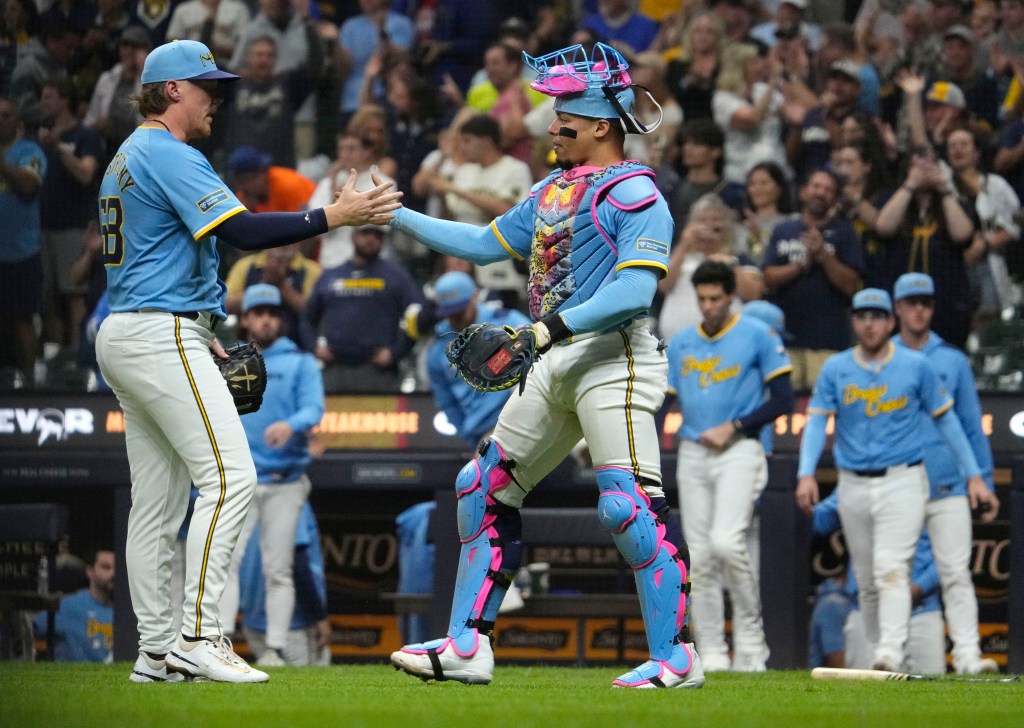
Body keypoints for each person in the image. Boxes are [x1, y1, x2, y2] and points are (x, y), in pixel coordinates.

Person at [387, 42, 704, 689]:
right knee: (483, 486)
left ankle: (677, 657)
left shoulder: (636, 191)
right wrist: (396, 214)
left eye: (564, 118)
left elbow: (634, 292)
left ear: (601, 126)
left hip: (612, 359)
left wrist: (542, 329)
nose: (551, 127)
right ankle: (467, 646)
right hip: (553, 358)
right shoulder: (553, 189)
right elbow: (480, 245)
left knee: (629, 507)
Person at [94, 38, 399, 684]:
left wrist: (200, 323)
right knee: (232, 479)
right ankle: (200, 635)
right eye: (206, 85)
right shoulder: (168, 151)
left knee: (155, 505)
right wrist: (332, 216)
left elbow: (161, 254)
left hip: (131, 328)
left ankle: (153, 653)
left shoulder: (126, 156)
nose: (218, 97)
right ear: (172, 89)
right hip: (159, 332)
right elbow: (243, 231)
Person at [795, 288, 988, 672]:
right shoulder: (837, 367)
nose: (870, 323)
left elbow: (950, 422)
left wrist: (974, 474)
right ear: (854, 321)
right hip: (853, 483)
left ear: (890, 320)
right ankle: (875, 655)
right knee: (865, 580)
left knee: (892, 566)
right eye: (862, 315)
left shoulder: (917, 366)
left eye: (877, 315)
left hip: (903, 477)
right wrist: (805, 472)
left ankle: (892, 651)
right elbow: (816, 421)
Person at [666, 259, 793, 672]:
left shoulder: (757, 334)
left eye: (714, 298)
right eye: (701, 298)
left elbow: (783, 399)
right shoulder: (682, 342)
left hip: (740, 447)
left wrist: (735, 425)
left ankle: (753, 645)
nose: (707, 306)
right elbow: (663, 402)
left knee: (726, 541)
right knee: (698, 555)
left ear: (731, 296)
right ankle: (714, 650)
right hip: (693, 450)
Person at [891, 272, 1000, 674]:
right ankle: (891, 652)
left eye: (926, 302)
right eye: (912, 302)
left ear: (932, 308)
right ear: (898, 308)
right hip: (898, 480)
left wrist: (982, 481)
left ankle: (969, 656)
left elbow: (972, 425)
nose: (919, 309)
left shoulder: (953, 360)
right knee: (892, 572)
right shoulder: (884, 357)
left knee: (955, 571)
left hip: (947, 480)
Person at [218, 283, 325, 666]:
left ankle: (275, 650)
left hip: (285, 480)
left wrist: (291, 424)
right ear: (245, 319)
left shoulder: (299, 361)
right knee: (225, 562)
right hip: (240, 478)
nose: (265, 319)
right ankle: (221, 641)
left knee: (277, 568)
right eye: (258, 313)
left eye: (271, 313)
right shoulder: (227, 360)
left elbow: (314, 410)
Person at [812, 491, 945, 674]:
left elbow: (949, 555)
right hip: (867, 610)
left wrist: (918, 587)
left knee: (933, 695)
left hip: (921, 611)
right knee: (860, 693)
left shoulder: (927, 481)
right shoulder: (861, 475)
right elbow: (819, 522)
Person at [762, 169, 865, 392]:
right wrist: (800, 266)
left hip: (828, 341)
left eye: (828, 190)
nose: (821, 193)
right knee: (783, 407)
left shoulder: (845, 233)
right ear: (803, 192)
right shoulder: (783, 229)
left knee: (825, 407)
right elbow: (768, 278)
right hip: (785, 340)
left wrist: (823, 255)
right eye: (816, 186)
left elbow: (852, 286)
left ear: (835, 199)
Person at [300, 224, 422, 393]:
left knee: (380, 420)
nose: (371, 239)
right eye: (366, 233)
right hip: (335, 368)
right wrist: (314, 347)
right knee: (330, 420)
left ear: (383, 240)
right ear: (354, 235)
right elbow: (307, 318)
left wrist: (396, 352)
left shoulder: (397, 276)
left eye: (377, 235)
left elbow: (417, 315)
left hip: (377, 370)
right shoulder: (331, 275)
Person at [425, 271, 530, 449]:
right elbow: (447, 403)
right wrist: (468, 434)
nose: (455, 317)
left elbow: (542, 358)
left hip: (525, 413)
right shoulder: (437, 350)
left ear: (474, 297)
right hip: (484, 429)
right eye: (450, 313)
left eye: (460, 310)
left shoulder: (507, 322)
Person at [238, 501, 331, 666]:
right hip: (291, 624)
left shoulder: (244, 497)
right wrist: (319, 616)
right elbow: (297, 563)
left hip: (252, 621)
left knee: (270, 688)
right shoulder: (290, 498)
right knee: (305, 688)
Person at [0, 94, 46, 387]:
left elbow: (28, 186)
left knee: (22, 321)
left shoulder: (30, 151)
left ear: (16, 120)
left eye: (5, 115)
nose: (0, 120)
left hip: (22, 253)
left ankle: (29, 384)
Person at [32, 549, 115, 662]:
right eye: (106, 567)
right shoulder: (68, 606)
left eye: (116, 568)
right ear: (90, 571)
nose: (113, 573)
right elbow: (30, 630)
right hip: (74, 676)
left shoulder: (127, 611)